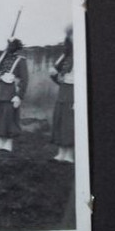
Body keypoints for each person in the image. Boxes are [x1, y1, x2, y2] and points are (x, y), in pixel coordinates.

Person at [0, 38, 28, 153]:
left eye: (11, 45)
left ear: (16, 47)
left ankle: (8, 143)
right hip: (1, 91)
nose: (9, 48)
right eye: (8, 45)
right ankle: (0, 141)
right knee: (0, 117)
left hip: (12, 92)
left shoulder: (21, 60)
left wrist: (19, 96)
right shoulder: (3, 59)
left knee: (9, 118)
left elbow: (24, 79)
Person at [49, 27, 75, 162]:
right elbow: (55, 73)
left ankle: (70, 154)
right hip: (63, 91)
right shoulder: (65, 55)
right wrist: (55, 76)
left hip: (75, 92)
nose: (71, 38)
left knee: (70, 123)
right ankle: (61, 152)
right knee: (60, 120)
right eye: (70, 35)